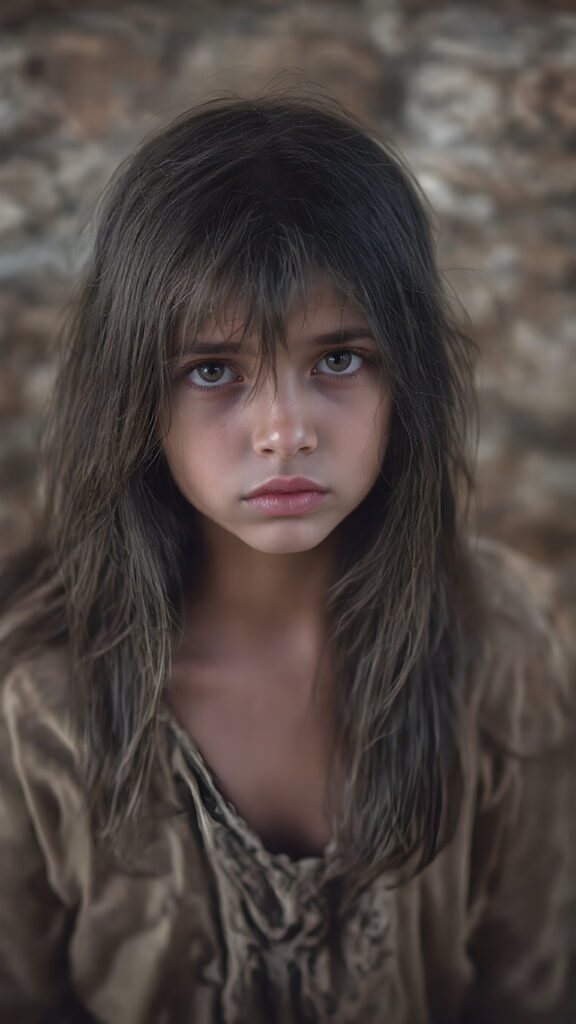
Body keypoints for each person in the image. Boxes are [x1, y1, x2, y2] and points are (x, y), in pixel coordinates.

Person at [0, 93, 573, 1024]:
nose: (285, 432)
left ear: (407, 376)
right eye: (214, 370)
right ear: (134, 391)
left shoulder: (496, 652)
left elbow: (535, 988)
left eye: (339, 359)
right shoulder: (37, 700)